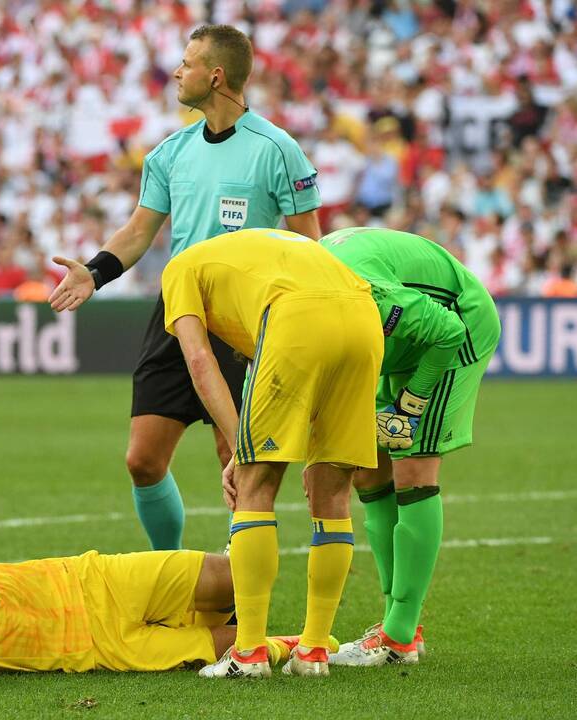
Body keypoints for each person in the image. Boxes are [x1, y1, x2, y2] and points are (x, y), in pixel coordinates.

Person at [49, 24, 322, 553]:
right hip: (179, 311)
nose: (177, 71)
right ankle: (170, 571)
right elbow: (137, 232)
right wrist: (94, 270)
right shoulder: (169, 153)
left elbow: (311, 245)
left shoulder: (278, 150)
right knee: (142, 460)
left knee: (238, 458)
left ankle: (238, 600)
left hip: (246, 320)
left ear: (215, 76)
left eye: (188, 62)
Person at [160, 227, 383, 678]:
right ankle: (314, 651)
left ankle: (248, 654)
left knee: (256, 484)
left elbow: (200, 361)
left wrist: (239, 448)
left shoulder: (179, 268)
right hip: (364, 316)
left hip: (297, 318)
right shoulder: (267, 249)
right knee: (334, 494)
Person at [318, 226, 501, 666]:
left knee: (413, 466)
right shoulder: (307, 294)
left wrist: (411, 402)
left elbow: (449, 330)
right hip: (400, 341)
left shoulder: (368, 296)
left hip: (453, 327)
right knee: (369, 468)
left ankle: (398, 636)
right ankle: (397, 623)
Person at [0, 531, 310, 683]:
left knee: (241, 575)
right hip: (99, 646)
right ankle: (318, 644)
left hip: (92, 580)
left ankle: (213, 603)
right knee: (244, 649)